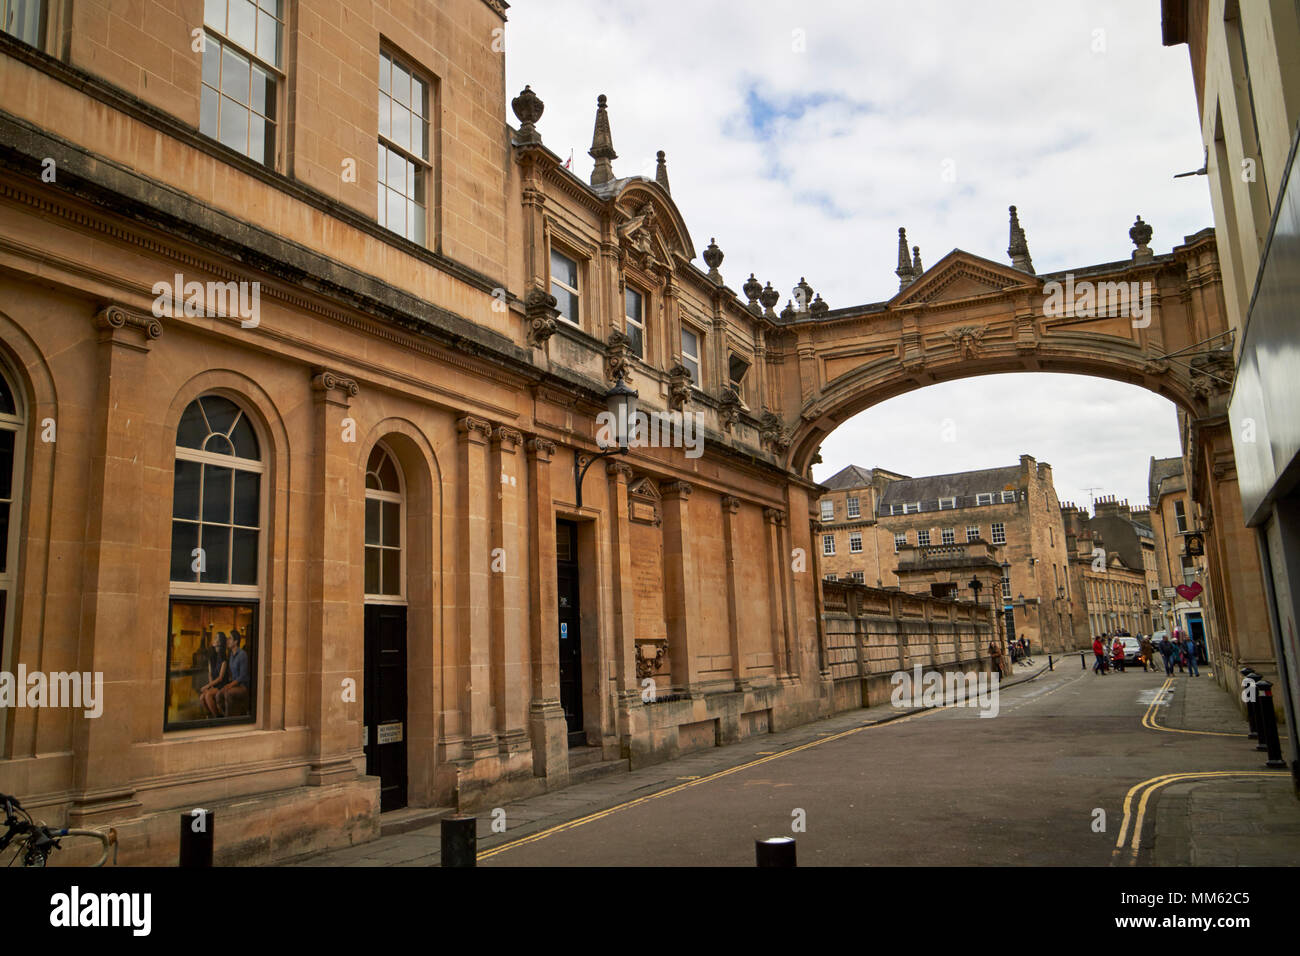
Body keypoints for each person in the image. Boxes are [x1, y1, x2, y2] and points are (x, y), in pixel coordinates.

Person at [220, 627, 252, 717]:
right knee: (219, 695)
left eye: (230, 638)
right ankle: (224, 717)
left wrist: (230, 685)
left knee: (227, 693)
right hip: (234, 684)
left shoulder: (242, 654)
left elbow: (242, 676)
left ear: (236, 642)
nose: (227, 640)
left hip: (243, 686)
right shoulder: (231, 654)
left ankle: (229, 719)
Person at [198, 631, 229, 717]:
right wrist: (211, 686)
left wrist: (207, 686)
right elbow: (210, 674)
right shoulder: (211, 657)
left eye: (216, 638)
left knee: (208, 695)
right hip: (214, 685)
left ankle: (217, 717)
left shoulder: (224, 659)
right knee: (201, 697)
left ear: (220, 642)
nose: (214, 640)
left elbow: (220, 678)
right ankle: (211, 715)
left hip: (222, 685)